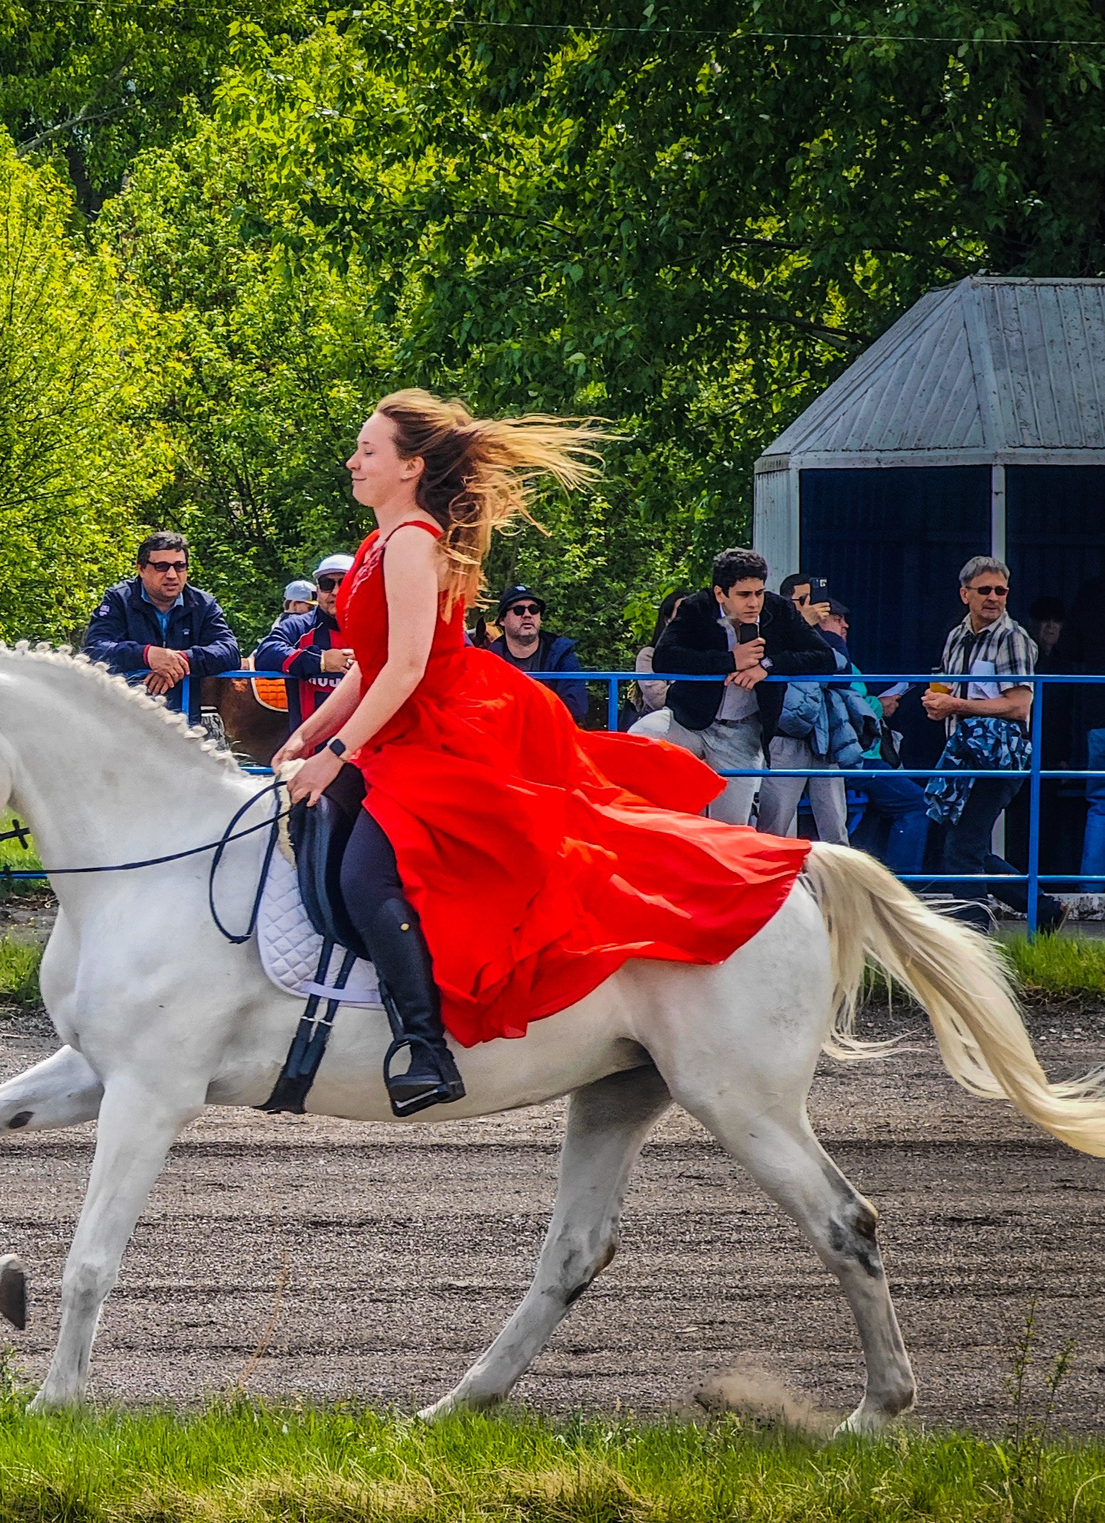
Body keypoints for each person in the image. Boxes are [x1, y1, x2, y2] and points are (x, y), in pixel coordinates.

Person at [275, 390, 813, 1118]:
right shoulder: (375, 546)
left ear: (411, 466)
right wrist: (305, 736)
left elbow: (404, 670)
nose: (353, 460)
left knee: (367, 873)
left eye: (368, 450)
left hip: (441, 728)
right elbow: (369, 666)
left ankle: (425, 1048)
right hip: (403, 722)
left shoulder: (413, 543)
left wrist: (336, 750)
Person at [629, 549, 834, 826]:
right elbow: (665, 657)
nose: (754, 603)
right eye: (744, 595)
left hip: (742, 730)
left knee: (730, 827)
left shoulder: (779, 609)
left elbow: (825, 658)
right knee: (639, 735)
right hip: (688, 720)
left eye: (759, 593)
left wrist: (768, 666)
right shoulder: (695, 607)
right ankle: (629, 825)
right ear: (719, 593)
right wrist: (729, 660)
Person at [921, 557, 1062, 931]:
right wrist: (938, 703)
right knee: (966, 847)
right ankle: (1044, 908)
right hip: (961, 754)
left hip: (999, 756)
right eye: (984, 590)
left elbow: (1019, 705)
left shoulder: (1013, 638)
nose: (993, 598)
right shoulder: (956, 635)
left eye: (1001, 591)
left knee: (962, 849)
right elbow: (948, 686)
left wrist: (957, 704)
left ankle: (974, 933)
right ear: (965, 594)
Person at [81, 531, 241, 713]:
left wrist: (180, 660)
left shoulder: (203, 604)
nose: (172, 575)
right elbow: (95, 649)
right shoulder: (119, 599)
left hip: (181, 722)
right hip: (121, 718)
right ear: (141, 569)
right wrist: (146, 655)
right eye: (162, 566)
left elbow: (230, 651)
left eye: (179, 566)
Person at [827, 598, 929, 876]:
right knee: (917, 803)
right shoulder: (826, 655)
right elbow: (840, 705)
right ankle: (901, 893)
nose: (845, 625)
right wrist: (879, 706)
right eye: (838, 618)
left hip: (862, 756)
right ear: (821, 619)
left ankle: (872, 886)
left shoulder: (841, 656)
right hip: (853, 759)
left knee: (879, 812)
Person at [755, 571, 849, 844]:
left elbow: (840, 672)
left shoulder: (828, 635)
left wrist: (823, 636)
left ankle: (841, 884)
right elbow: (766, 665)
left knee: (834, 823)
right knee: (775, 822)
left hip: (823, 737)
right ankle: (769, 879)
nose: (809, 605)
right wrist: (802, 629)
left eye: (813, 599)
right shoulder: (769, 630)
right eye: (801, 600)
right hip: (785, 737)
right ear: (787, 602)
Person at [255, 553, 355, 729]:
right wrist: (321, 661)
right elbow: (265, 653)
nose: (336, 591)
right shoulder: (300, 625)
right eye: (327, 584)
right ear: (317, 592)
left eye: (344, 582)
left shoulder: (379, 627)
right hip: (309, 750)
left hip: (367, 750)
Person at [468, 585, 590, 723]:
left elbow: (577, 707)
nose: (527, 614)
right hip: (508, 739)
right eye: (518, 610)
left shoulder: (561, 653)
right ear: (502, 620)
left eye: (534, 609)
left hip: (553, 736)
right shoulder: (489, 659)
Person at [628, 590, 688, 721]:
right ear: (667, 621)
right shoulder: (648, 655)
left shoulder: (710, 654)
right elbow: (659, 700)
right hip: (662, 725)